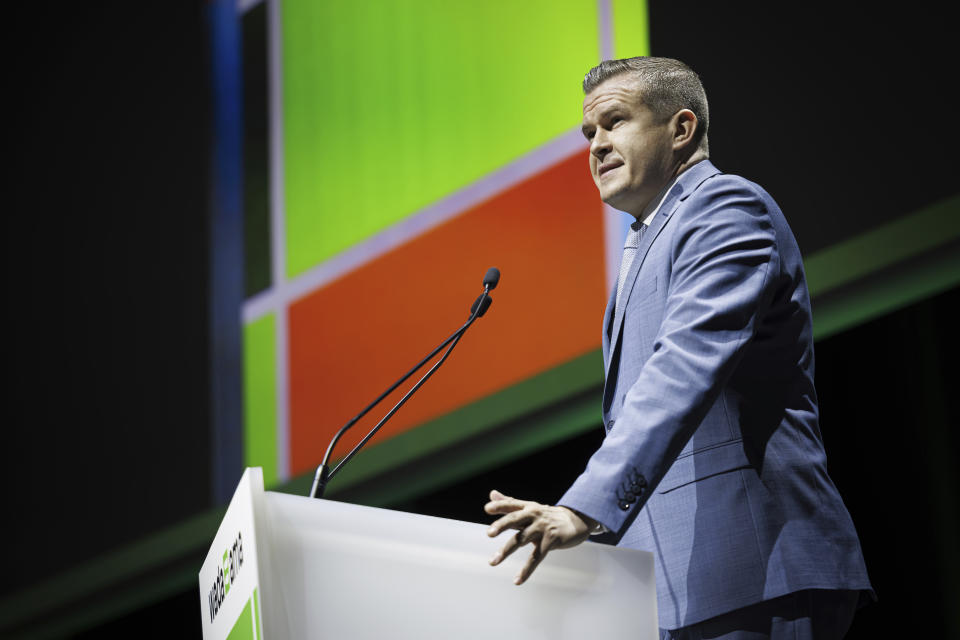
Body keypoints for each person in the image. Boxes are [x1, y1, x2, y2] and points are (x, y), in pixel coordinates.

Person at [484, 57, 873, 639]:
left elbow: (685, 365)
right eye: (590, 133)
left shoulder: (726, 208)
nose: (597, 145)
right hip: (673, 588)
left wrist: (583, 508)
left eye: (614, 122)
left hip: (755, 564)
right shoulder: (647, 240)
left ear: (681, 129)